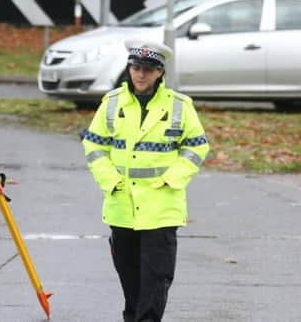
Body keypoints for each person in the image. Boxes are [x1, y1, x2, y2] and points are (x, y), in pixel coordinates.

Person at [82, 40, 210, 322]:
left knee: (155, 283)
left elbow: (197, 146)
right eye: (136, 68)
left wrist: (172, 179)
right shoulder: (112, 103)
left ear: (160, 73)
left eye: (148, 70)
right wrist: (111, 181)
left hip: (161, 209)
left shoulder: (179, 106)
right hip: (121, 207)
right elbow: (94, 146)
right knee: (132, 286)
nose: (140, 75)